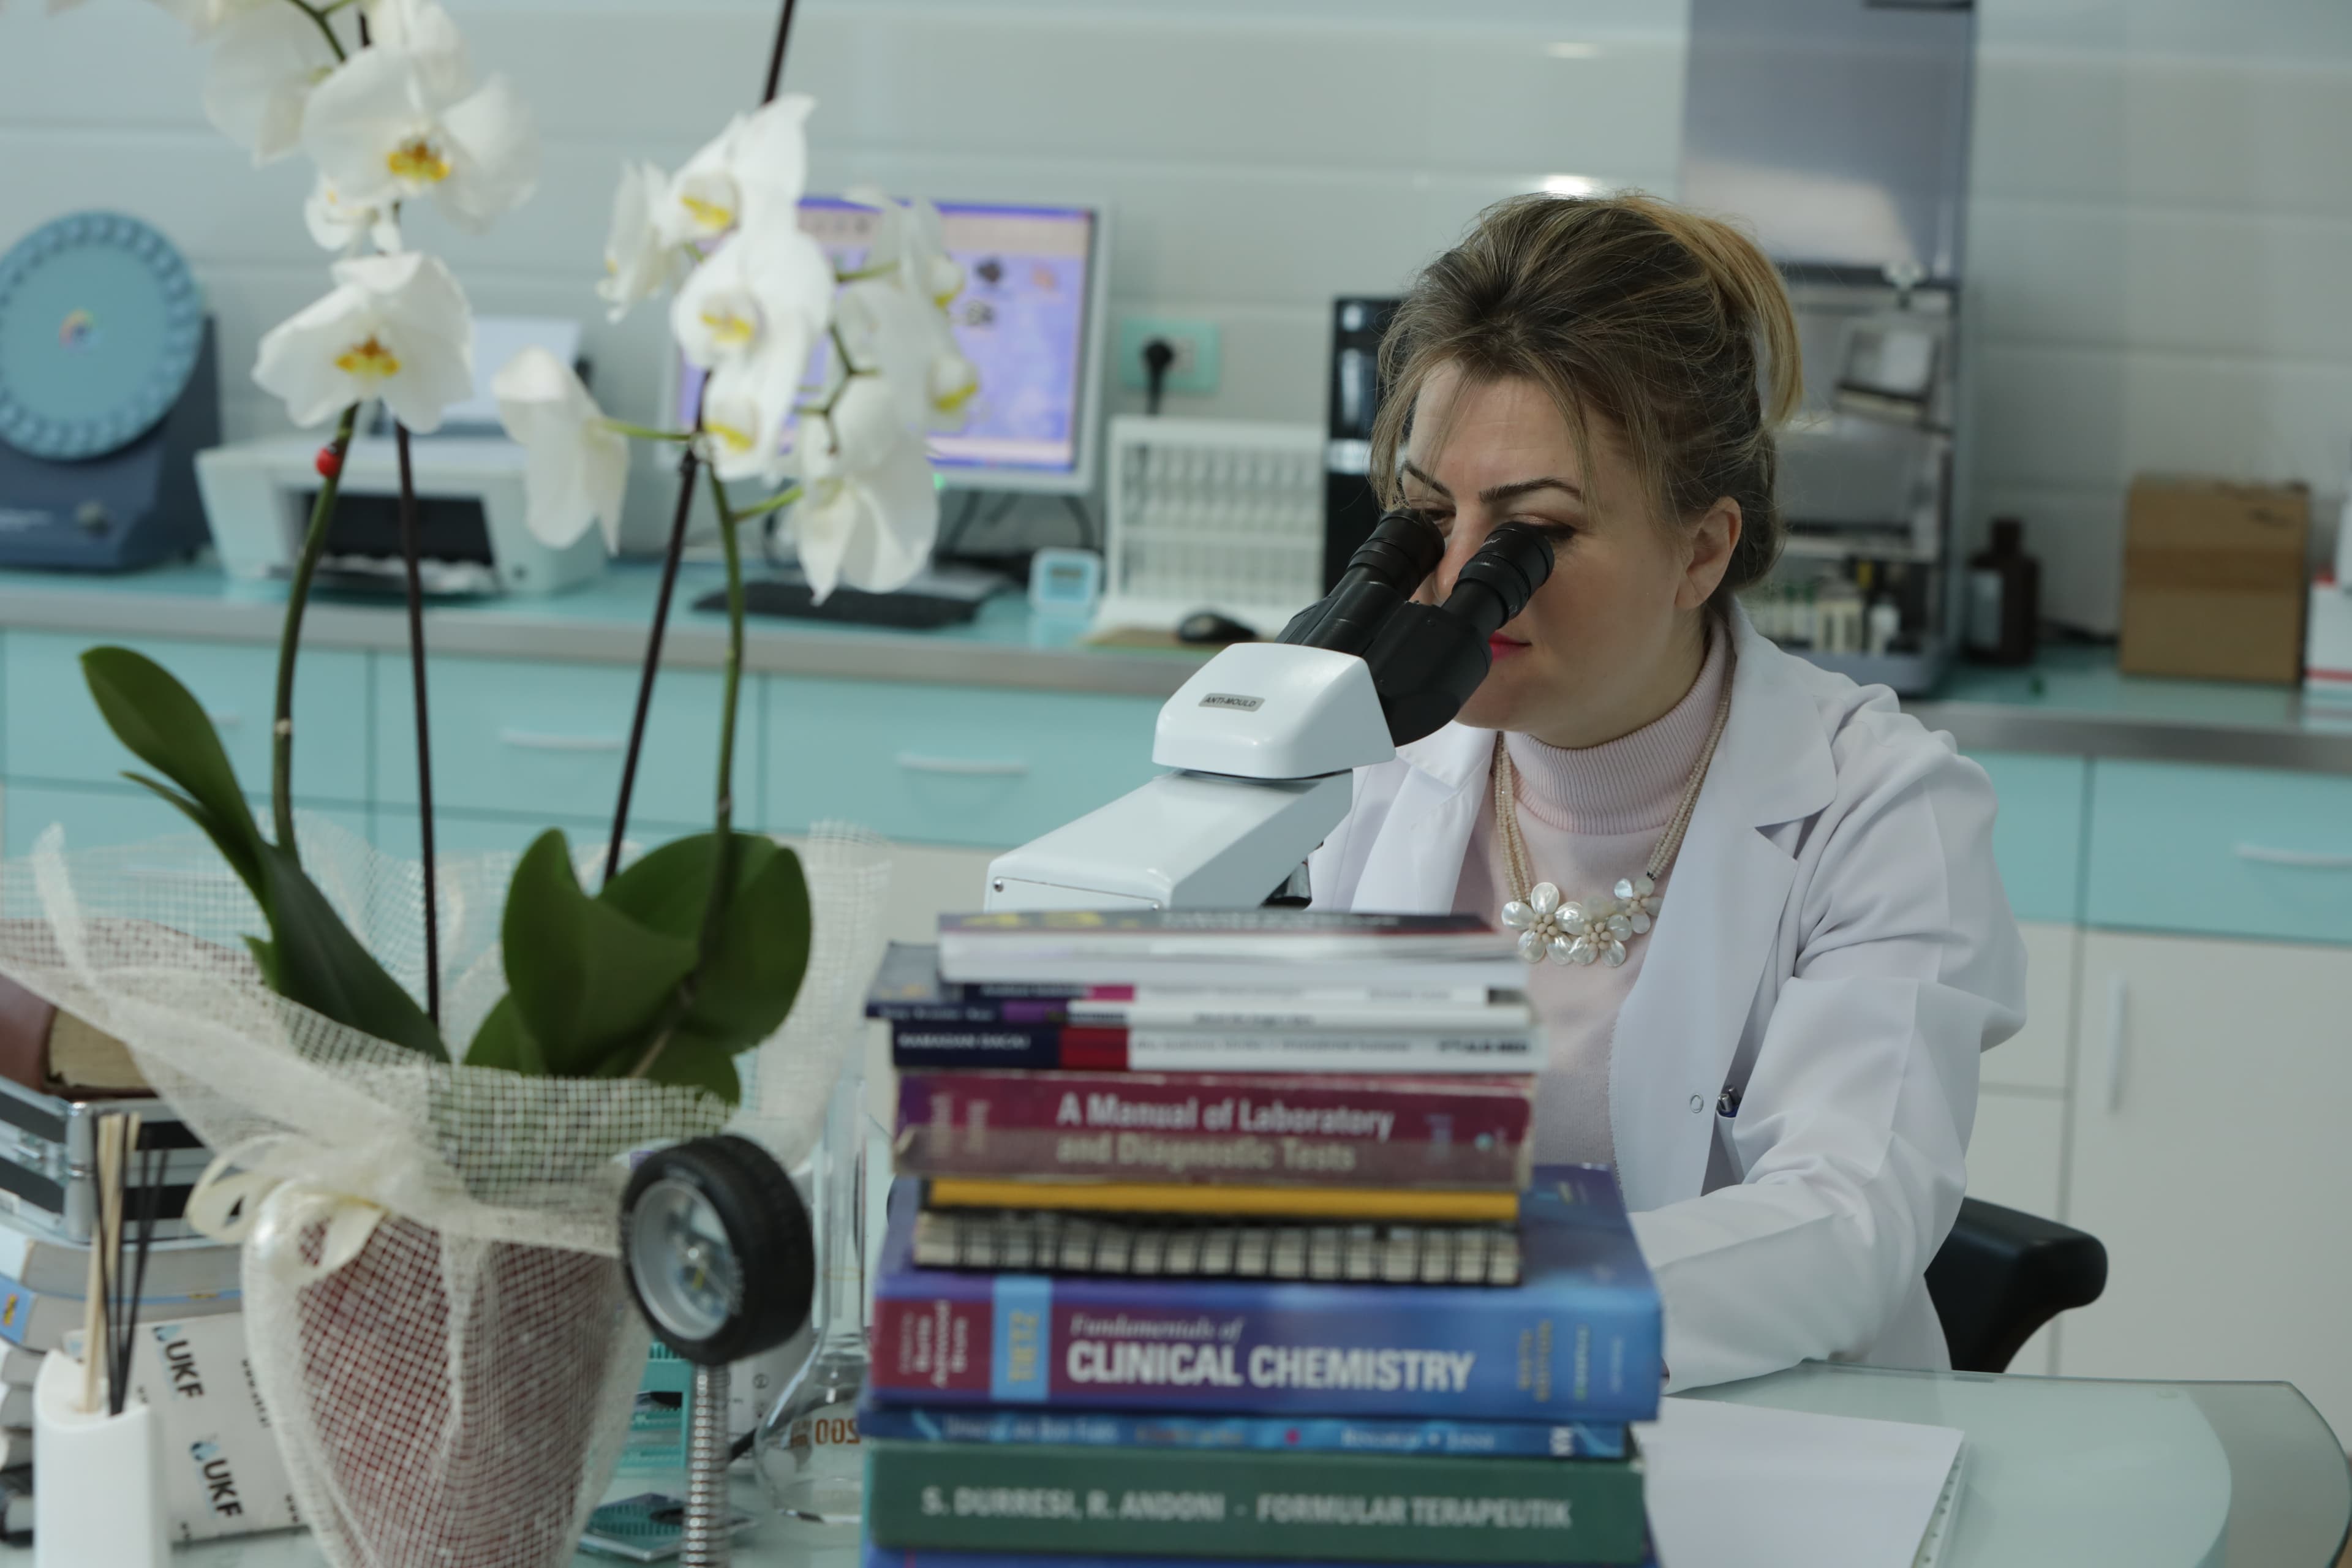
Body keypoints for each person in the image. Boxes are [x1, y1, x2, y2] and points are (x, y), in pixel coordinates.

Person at [1308, 192, 2025, 1392]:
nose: (1458, 575)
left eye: (1533, 532)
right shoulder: (1366, 759)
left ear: (1701, 549)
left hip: (1769, 1442)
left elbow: (1847, 1218)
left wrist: (1473, 1322)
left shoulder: (1882, 809)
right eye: (1429, 516)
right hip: (1425, 1423)